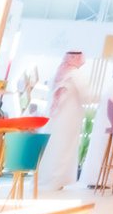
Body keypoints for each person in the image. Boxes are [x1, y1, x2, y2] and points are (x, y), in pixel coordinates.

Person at [38, 50, 91, 192]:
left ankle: (46, 179)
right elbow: (87, 96)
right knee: (63, 149)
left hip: (56, 117)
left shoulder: (59, 72)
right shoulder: (76, 74)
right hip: (69, 118)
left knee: (53, 147)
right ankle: (55, 181)